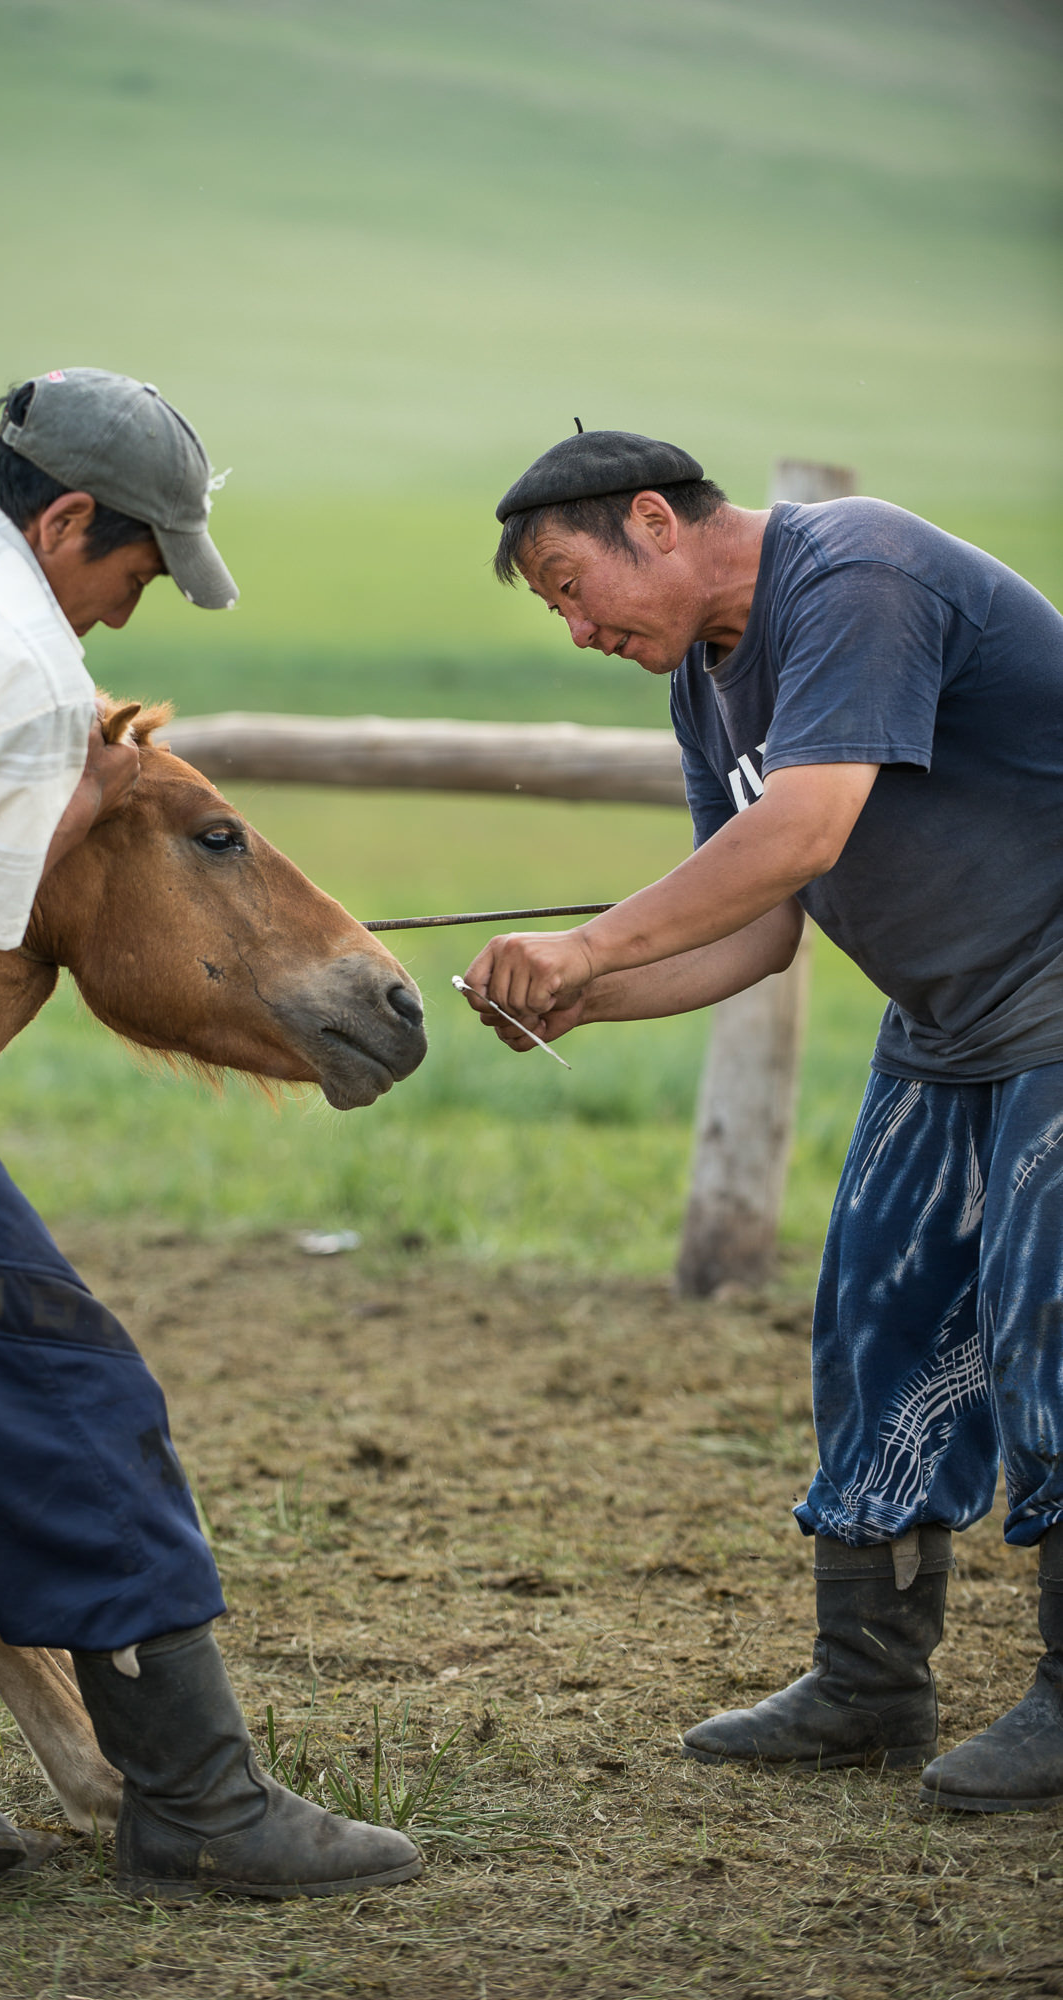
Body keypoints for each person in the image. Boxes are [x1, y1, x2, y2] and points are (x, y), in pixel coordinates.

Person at [0, 368, 420, 1897]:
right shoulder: (21, 656)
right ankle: (199, 1807)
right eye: (133, 567)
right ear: (60, 520)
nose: (128, 608)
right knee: (70, 1397)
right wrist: (94, 785)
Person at [463, 426, 1063, 1814]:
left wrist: (592, 942)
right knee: (875, 1320)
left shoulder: (857, 573)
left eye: (571, 585)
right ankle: (869, 1684)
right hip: (952, 1020)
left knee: (1050, 1328)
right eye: (551, 608)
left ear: (658, 524)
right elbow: (760, 931)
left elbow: (800, 832)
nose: (575, 629)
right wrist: (582, 1000)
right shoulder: (707, 690)